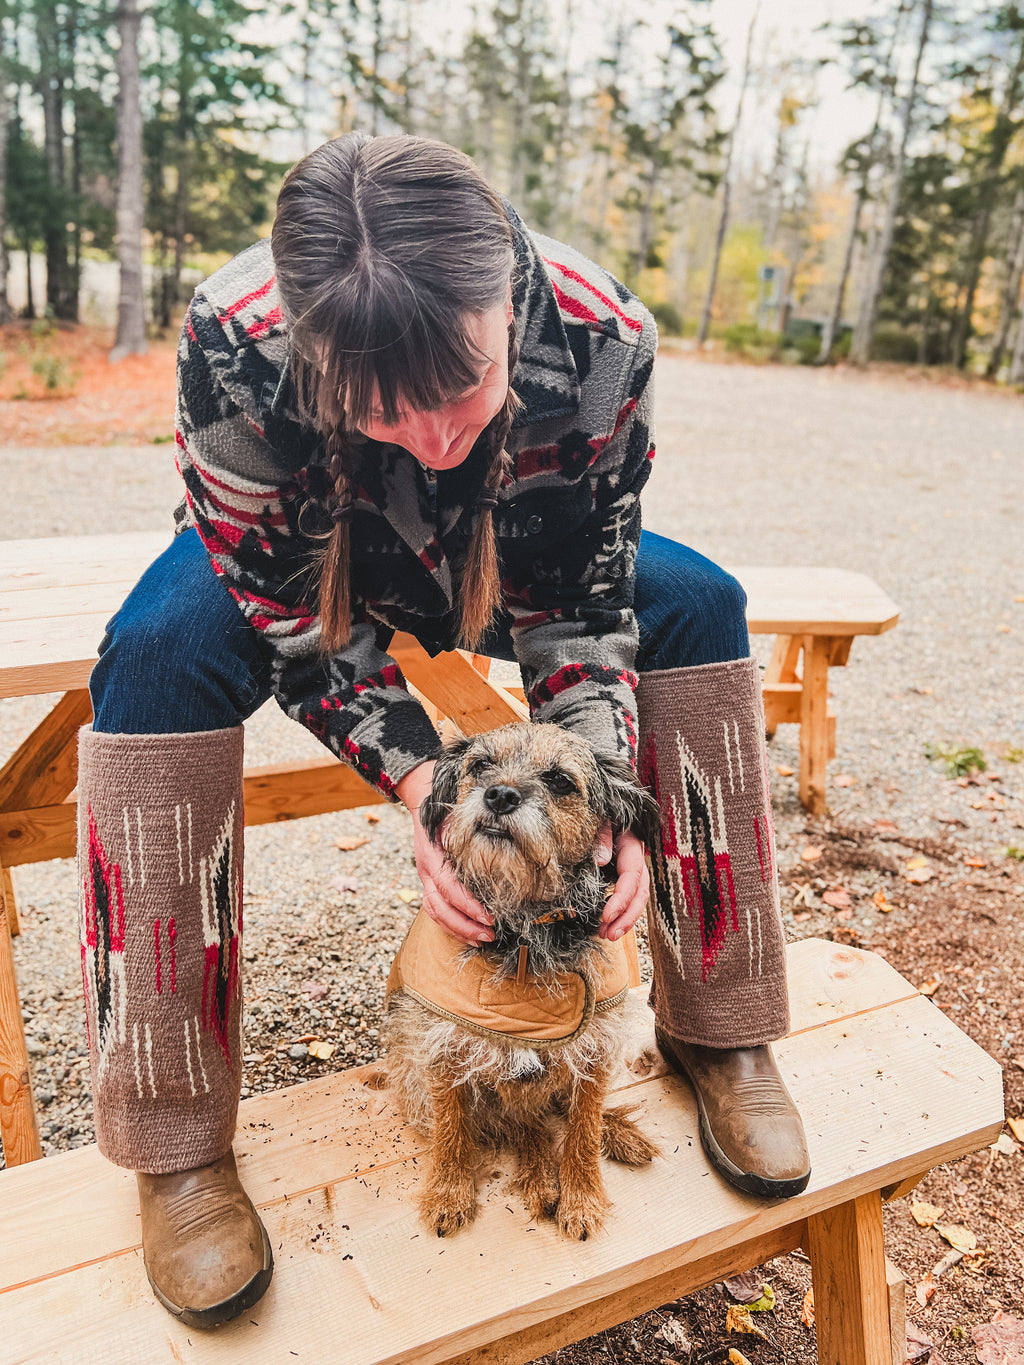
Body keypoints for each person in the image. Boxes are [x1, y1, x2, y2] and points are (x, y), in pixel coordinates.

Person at [77, 132, 810, 1329]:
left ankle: (722, 1029)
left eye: (462, 388)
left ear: (505, 305)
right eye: (380, 407)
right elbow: (287, 620)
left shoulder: (603, 334)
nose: (430, 437)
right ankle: (172, 1136)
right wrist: (426, 785)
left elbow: (584, 601)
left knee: (699, 601)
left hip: (509, 553)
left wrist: (604, 798)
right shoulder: (233, 337)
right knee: (156, 652)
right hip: (317, 560)